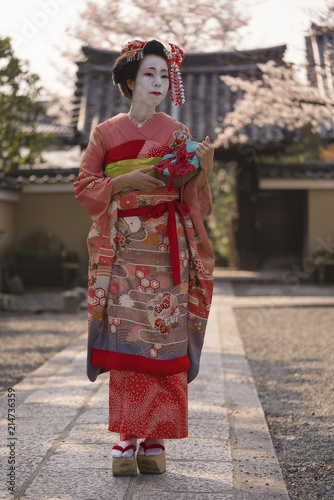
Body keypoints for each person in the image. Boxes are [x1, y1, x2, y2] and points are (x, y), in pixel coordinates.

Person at [74, 39, 215, 476]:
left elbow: (195, 198)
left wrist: (203, 170)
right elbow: (83, 185)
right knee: (129, 339)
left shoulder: (176, 131)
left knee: (162, 338)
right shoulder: (105, 132)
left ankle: (155, 439)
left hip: (166, 244)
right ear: (131, 81)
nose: (158, 83)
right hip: (123, 250)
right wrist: (124, 181)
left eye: (163, 75)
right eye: (149, 75)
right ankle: (125, 437)